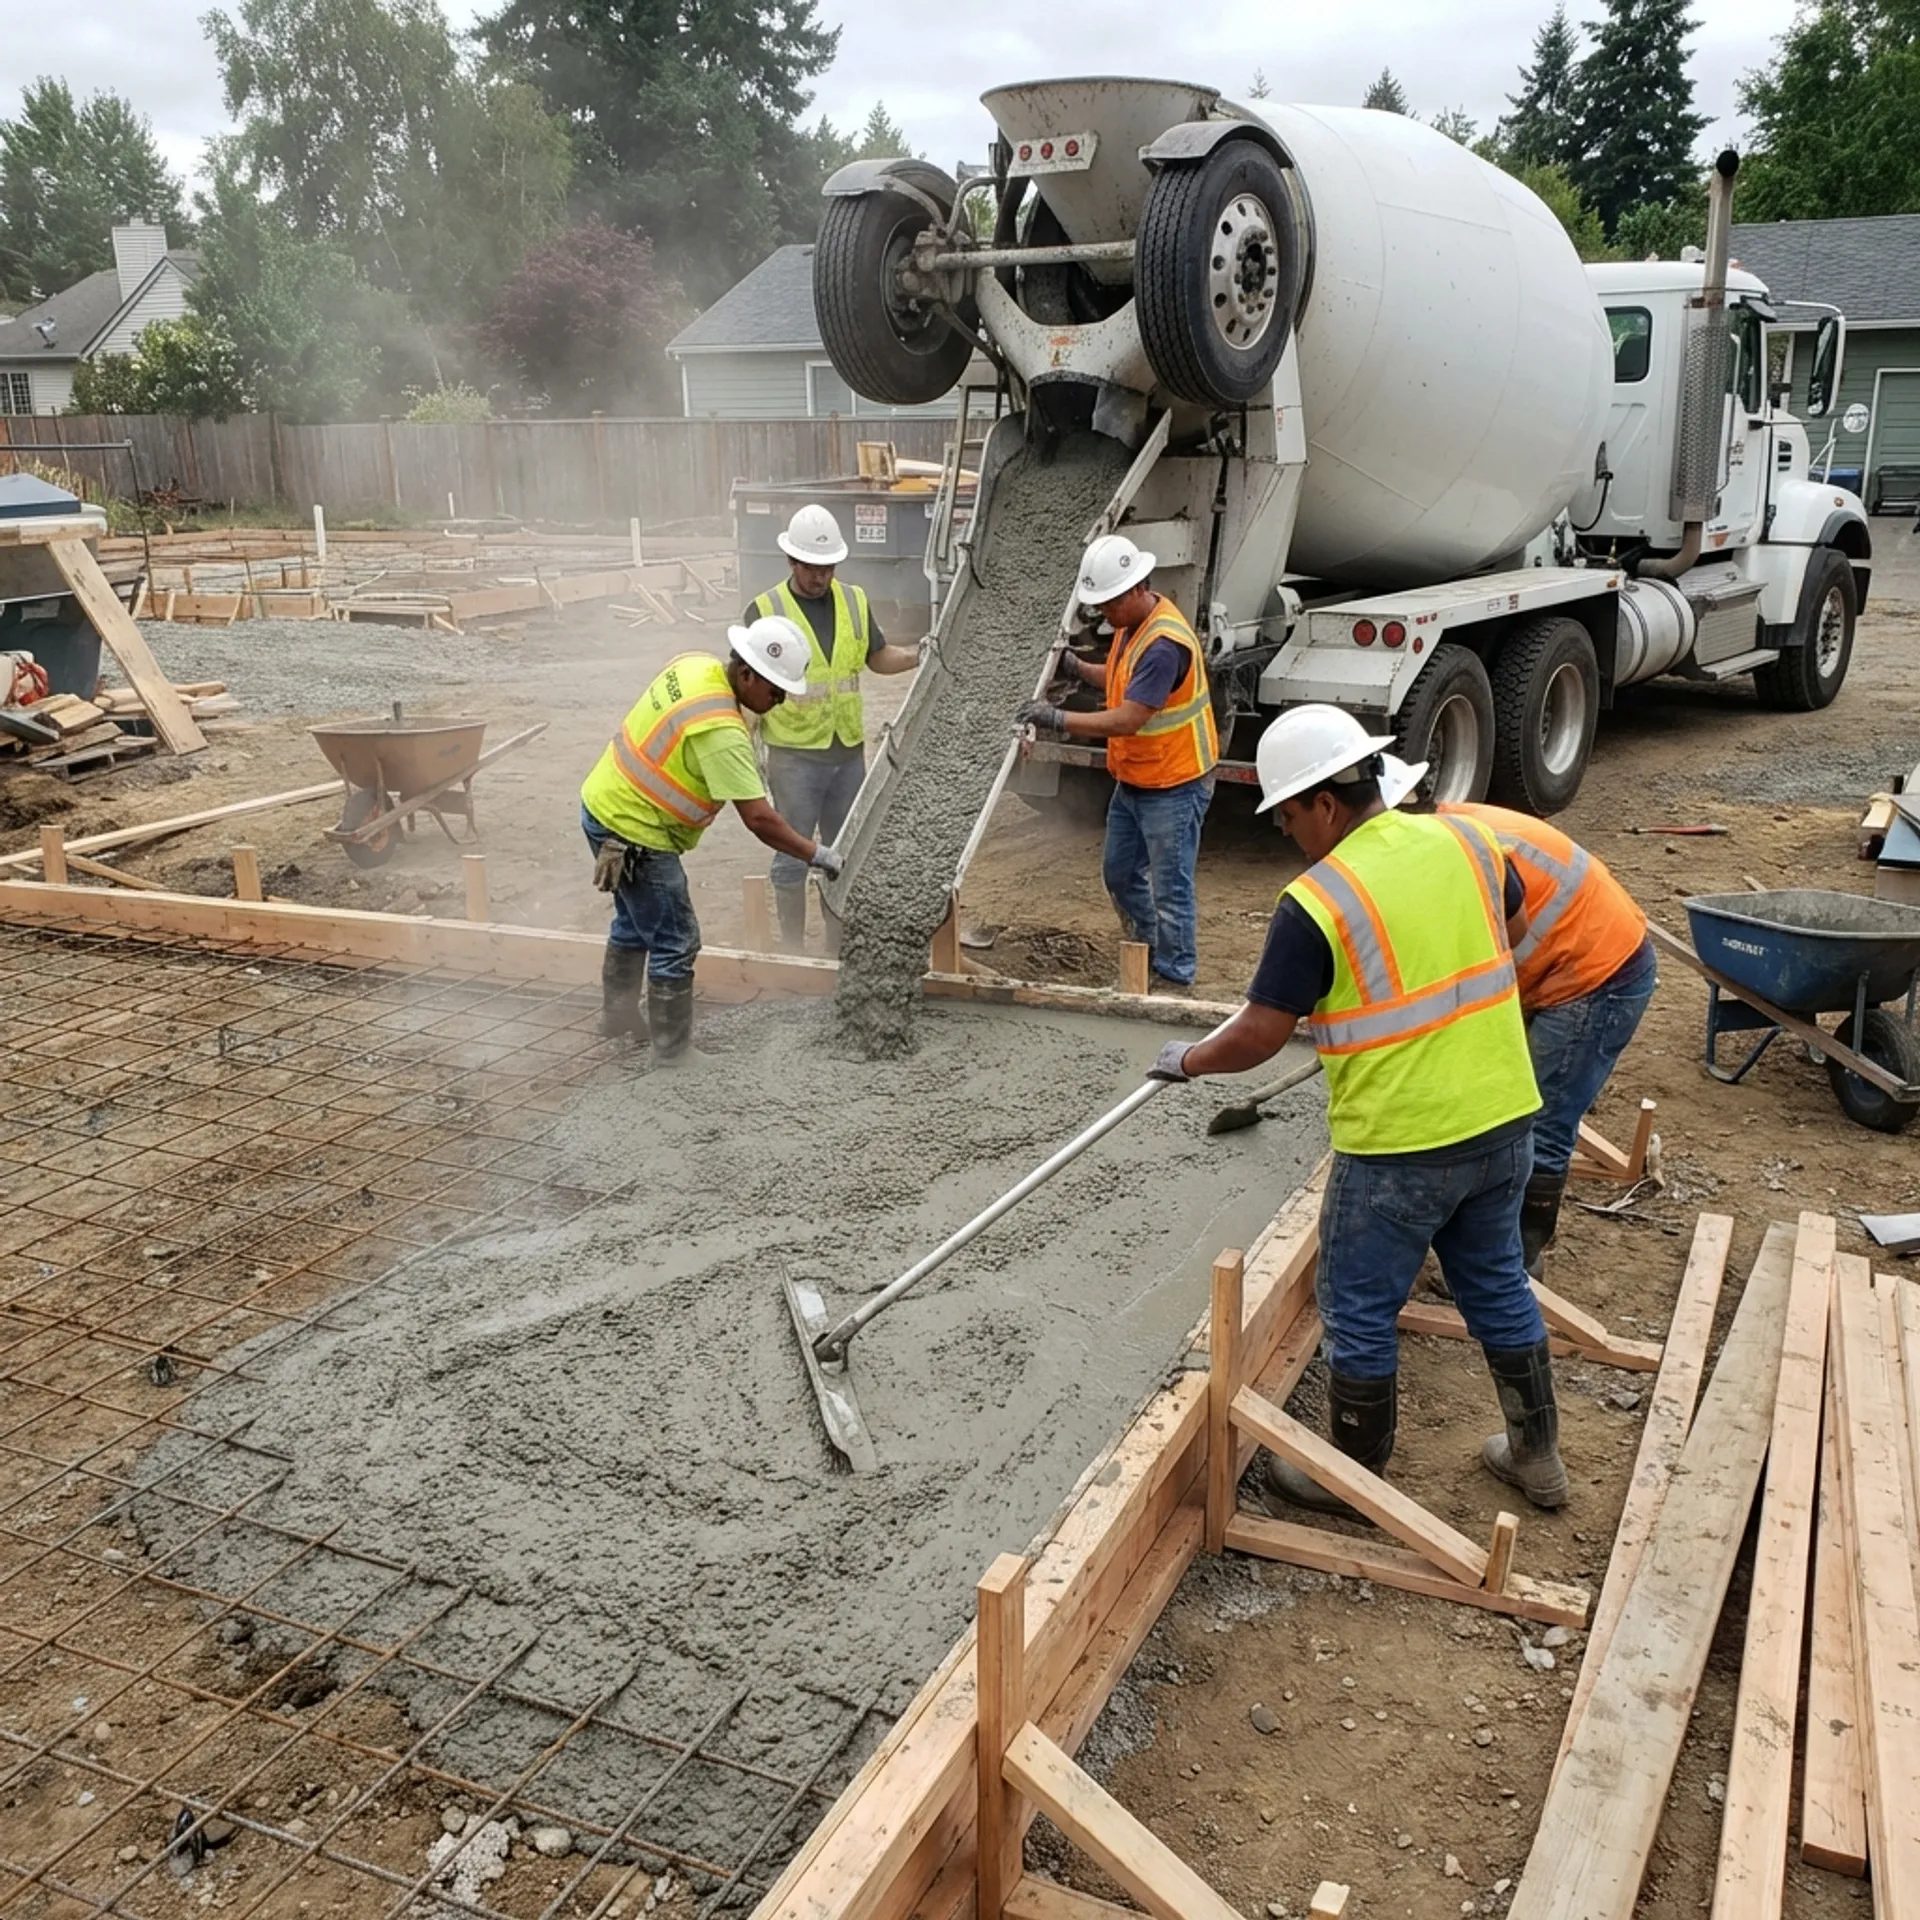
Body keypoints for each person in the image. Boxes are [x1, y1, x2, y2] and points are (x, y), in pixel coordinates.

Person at [1147, 705, 1571, 1511]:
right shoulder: (1467, 840)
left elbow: (1262, 1033)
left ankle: (1353, 1473)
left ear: (1327, 805)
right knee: (1496, 1283)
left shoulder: (1317, 901)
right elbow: (1512, 930)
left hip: (1399, 1146)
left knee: (1359, 1306)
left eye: (1287, 817)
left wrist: (1192, 1061)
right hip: (1504, 1115)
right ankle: (1536, 1454)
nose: (1284, 833)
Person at [580, 617, 842, 1062]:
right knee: (675, 940)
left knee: (634, 921)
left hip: (602, 802)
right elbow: (759, 819)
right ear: (746, 674)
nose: (777, 702)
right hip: (636, 832)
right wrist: (818, 854)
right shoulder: (721, 731)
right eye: (775, 691)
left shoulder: (696, 666)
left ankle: (617, 1017)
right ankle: (673, 1052)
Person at [1437, 799, 1655, 1277]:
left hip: (1595, 978)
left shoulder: (1458, 861)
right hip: (1574, 958)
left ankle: (1514, 1265)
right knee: (1511, 1102)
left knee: (1543, 1120)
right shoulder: (1450, 828)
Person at [1016, 534, 1218, 990]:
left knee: (1171, 887)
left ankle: (1175, 976)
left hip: (1175, 782)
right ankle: (1145, 950)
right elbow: (1120, 673)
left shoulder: (1166, 644)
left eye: (1108, 603)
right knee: (1121, 873)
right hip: (1137, 780)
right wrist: (1074, 667)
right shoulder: (1135, 625)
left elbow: (1129, 717)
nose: (1103, 614)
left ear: (1137, 588)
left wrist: (1057, 717)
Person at [747, 504, 923, 949]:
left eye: (827, 567)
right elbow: (746, 686)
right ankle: (791, 949)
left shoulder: (854, 600)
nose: (820, 577)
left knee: (845, 854)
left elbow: (876, 657)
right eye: (811, 568)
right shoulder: (765, 609)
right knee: (793, 852)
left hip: (847, 753)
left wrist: (920, 654)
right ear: (791, 560)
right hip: (794, 755)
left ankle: (837, 945)